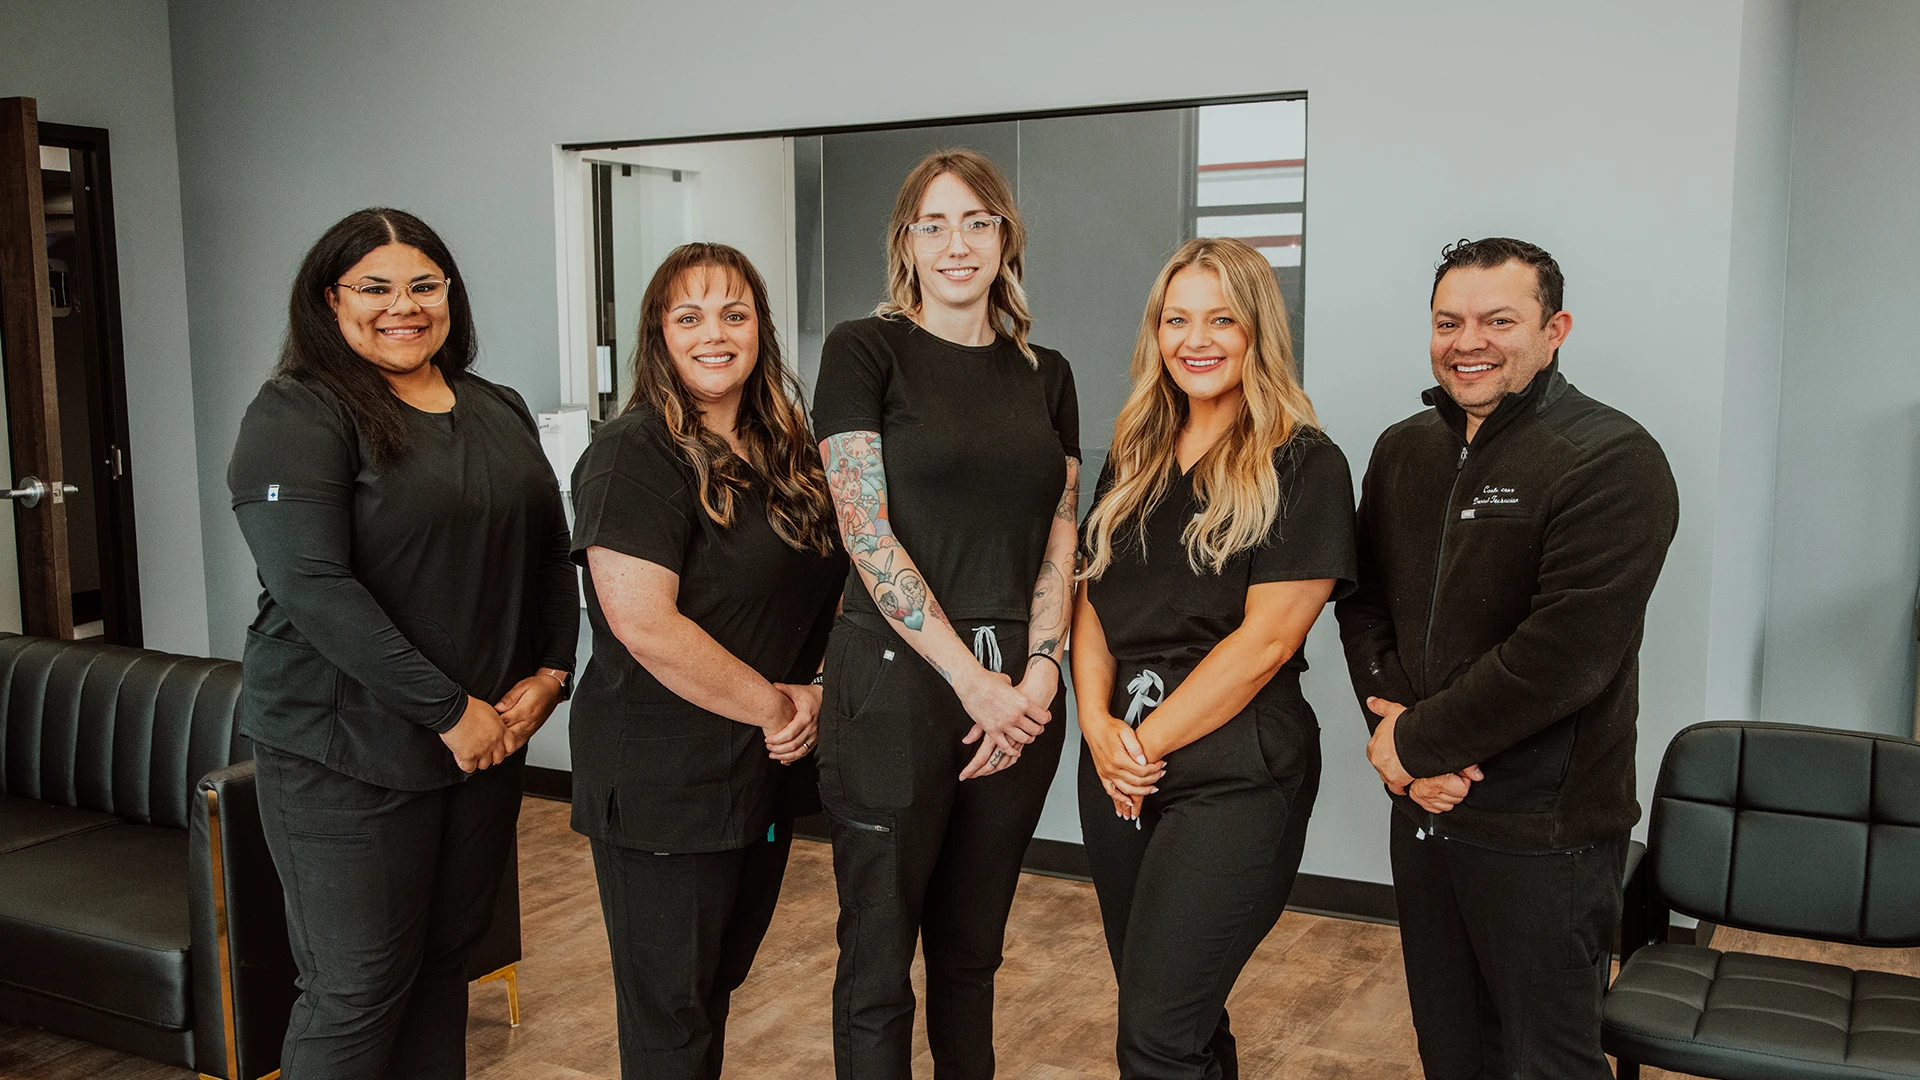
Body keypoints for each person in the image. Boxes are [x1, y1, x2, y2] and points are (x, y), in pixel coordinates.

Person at [227, 207, 577, 1079]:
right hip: (343, 749)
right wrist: (447, 709)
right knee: (356, 988)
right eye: (375, 288)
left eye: (423, 285)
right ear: (328, 298)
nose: (403, 306)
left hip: (481, 744)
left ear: (449, 294)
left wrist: (550, 670)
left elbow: (545, 549)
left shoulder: (497, 407)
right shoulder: (297, 412)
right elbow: (314, 587)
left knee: (442, 967)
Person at [1335, 237, 1679, 1079]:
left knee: (1548, 1059)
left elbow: (1564, 657)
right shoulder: (1402, 448)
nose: (1468, 341)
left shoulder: (1612, 460)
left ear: (1554, 328)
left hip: (1544, 830)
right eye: (1448, 321)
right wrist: (1399, 746)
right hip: (1421, 814)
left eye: (1499, 319)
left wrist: (1415, 745)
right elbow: (1363, 601)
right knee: (1452, 1050)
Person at [810, 148, 1079, 1080]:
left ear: (1005, 238)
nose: (956, 243)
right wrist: (974, 683)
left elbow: (1058, 534)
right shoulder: (864, 349)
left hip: (1022, 692)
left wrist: (1040, 673)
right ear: (906, 244)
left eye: (976, 221)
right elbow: (864, 530)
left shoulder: (1047, 373)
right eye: (933, 223)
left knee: (972, 952)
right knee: (879, 960)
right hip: (896, 683)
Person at [1073, 237, 1356, 1079]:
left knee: (1157, 1036)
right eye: (1177, 319)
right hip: (1119, 767)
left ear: (1257, 331)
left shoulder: (1306, 462)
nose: (1196, 339)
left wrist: (1140, 745)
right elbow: (1093, 599)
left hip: (1234, 771)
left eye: (1221, 319)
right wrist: (1094, 726)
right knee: (1174, 1017)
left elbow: (1266, 643)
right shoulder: (1135, 455)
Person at [567, 243, 846, 1079]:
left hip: (756, 773)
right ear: (659, 332)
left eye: (734, 313)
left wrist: (823, 689)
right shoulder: (634, 453)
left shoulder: (786, 450)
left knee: (714, 985)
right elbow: (644, 623)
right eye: (688, 316)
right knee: (672, 1017)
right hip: (664, 781)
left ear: (760, 326)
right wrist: (776, 709)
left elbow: (836, 585)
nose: (714, 333)